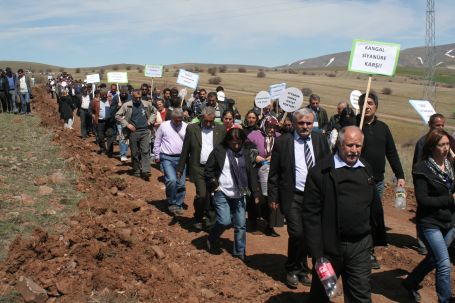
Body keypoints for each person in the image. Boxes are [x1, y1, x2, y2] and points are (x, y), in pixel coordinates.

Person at [303, 126, 387, 303]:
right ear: (339, 144)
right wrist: (318, 254)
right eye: (349, 145)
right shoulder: (320, 172)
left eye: (358, 146)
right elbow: (311, 216)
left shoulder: (366, 170)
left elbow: (374, 207)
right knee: (322, 295)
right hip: (329, 247)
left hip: (360, 246)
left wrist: (373, 236)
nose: (354, 151)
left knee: (361, 296)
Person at [268, 108, 330, 288]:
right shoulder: (283, 142)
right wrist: (273, 196)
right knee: (297, 233)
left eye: (308, 123)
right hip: (292, 195)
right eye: (301, 123)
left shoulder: (320, 140)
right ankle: (291, 269)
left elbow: (328, 167)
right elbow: (274, 173)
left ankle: (303, 270)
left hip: (315, 197)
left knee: (309, 235)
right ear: (294, 124)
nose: (305, 126)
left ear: (313, 124)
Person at [403, 129, 455, 303]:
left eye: (448, 144)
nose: (446, 148)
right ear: (432, 147)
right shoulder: (422, 169)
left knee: (434, 259)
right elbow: (423, 200)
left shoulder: (451, 165)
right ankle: (445, 300)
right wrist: (449, 199)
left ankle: (411, 282)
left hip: (450, 222)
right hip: (430, 223)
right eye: (442, 145)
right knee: (444, 263)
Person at [357, 92, 405, 269]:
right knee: (356, 214)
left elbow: (391, 153)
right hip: (354, 179)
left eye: (370, 103)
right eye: (363, 103)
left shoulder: (383, 128)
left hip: (376, 181)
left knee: (373, 216)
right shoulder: (353, 125)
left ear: (376, 106)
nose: (366, 106)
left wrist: (400, 175)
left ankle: (369, 252)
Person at [205, 127, 260, 261]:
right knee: (224, 221)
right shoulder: (219, 151)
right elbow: (208, 170)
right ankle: (212, 237)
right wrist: (215, 185)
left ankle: (240, 252)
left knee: (240, 224)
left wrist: (256, 193)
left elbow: (251, 173)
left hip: (240, 193)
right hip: (222, 191)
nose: (235, 146)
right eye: (233, 143)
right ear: (227, 141)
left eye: (238, 143)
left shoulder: (245, 153)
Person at [177, 106, 226, 229]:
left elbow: (225, 149)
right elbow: (185, 149)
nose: (208, 123)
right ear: (201, 118)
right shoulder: (192, 129)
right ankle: (198, 216)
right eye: (206, 121)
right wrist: (180, 168)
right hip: (198, 167)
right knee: (202, 195)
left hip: (214, 169)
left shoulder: (221, 129)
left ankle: (210, 223)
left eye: (211, 121)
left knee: (213, 194)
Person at [247, 116, 283, 237]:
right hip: (256, 171)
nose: (272, 130)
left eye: (274, 127)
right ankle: (253, 222)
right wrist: (254, 156)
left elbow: (285, 152)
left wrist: (275, 157)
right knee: (257, 197)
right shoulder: (255, 135)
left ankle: (270, 225)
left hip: (273, 174)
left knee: (271, 198)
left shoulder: (279, 138)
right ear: (264, 125)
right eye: (269, 126)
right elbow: (245, 148)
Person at [116, 89, 157, 180]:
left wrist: (150, 121)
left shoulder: (146, 104)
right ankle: (137, 170)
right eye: (136, 97)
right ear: (132, 96)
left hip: (145, 131)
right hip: (133, 132)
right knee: (134, 152)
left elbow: (154, 111)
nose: (138, 99)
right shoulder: (127, 105)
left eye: (140, 97)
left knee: (145, 151)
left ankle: (146, 170)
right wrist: (127, 124)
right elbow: (117, 115)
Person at [153, 109, 188, 215]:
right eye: (176, 120)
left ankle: (178, 204)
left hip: (181, 159)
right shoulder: (164, 126)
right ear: (171, 118)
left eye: (180, 120)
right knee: (171, 180)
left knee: (181, 184)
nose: (178, 122)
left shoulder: (186, 126)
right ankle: (171, 202)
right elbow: (157, 140)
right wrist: (156, 155)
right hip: (167, 157)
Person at [91, 88, 116, 156]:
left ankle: (110, 151)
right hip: (100, 121)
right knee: (100, 136)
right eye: (103, 95)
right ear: (100, 95)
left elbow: (115, 109)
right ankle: (103, 149)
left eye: (105, 95)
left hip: (109, 121)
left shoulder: (110, 101)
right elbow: (92, 110)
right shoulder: (96, 102)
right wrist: (93, 116)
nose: (104, 96)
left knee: (110, 135)